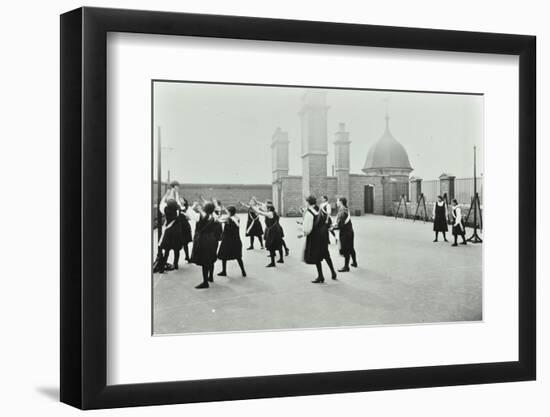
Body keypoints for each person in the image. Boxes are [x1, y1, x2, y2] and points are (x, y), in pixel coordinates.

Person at [301, 195, 337, 283]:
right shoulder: (319, 209)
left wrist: (303, 233)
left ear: (308, 202)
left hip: (315, 236)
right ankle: (333, 272)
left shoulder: (309, 212)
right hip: (323, 235)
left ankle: (320, 276)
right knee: (326, 254)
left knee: (316, 256)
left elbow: (307, 229)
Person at [188, 202, 219, 289]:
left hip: (203, 240)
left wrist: (195, 207)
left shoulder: (200, 216)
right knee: (210, 258)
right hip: (212, 239)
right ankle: (211, 277)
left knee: (204, 261)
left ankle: (205, 282)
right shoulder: (215, 216)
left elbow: (190, 214)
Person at [155, 190, 184, 273]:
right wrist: (176, 193)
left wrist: (166, 194)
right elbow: (178, 202)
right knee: (176, 250)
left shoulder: (166, 210)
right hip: (177, 232)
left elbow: (161, 203)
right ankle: (176, 264)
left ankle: (162, 268)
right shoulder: (178, 210)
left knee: (166, 250)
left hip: (169, 232)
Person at [216, 206, 247, 277]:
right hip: (236, 240)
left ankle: (224, 271)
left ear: (229, 212)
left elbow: (219, 220)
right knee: (238, 257)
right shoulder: (237, 218)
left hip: (227, 240)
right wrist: (226, 210)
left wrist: (219, 215)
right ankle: (243, 271)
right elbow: (231, 214)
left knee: (224, 256)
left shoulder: (228, 219)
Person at [252, 200, 284, 267]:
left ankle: (273, 263)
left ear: (269, 209)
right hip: (277, 230)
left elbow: (260, 212)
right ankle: (281, 259)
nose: (265, 209)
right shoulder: (274, 212)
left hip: (273, 231)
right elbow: (263, 211)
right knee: (279, 245)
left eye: (266, 208)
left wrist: (253, 207)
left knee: (271, 246)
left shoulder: (269, 214)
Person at [331, 197, 357, 272]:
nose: (336, 202)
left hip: (345, 233)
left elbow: (340, 224)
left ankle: (346, 267)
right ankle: (354, 262)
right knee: (351, 247)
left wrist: (333, 228)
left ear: (341, 202)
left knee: (346, 249)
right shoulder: (346, 209)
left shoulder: (342, 211)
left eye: (337, 201)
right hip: (350, 231)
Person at [178, 197, 193, 262]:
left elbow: (190, 217)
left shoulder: (187, 208)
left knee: (185, 243)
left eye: (182, 199)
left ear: (184, 201)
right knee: (178, 243)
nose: (181, 200)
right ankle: (176, 261)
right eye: (180, 199)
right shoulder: (177, 207)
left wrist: (187, 216)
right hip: (178, 226)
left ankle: (187, 256)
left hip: (185, 226)